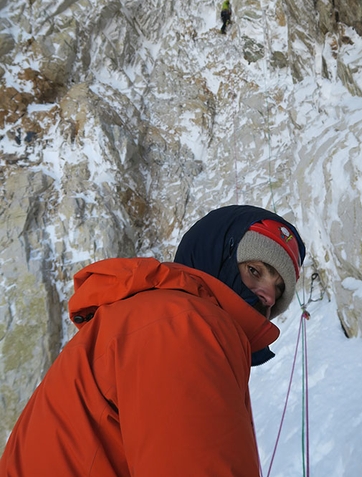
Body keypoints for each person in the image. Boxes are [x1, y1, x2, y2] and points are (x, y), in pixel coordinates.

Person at [0, 204, 305, 477]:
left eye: (278, 292)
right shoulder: (186, 325)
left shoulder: (154, 318)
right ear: (216, 255)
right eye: (254, 270)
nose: (267, 294)